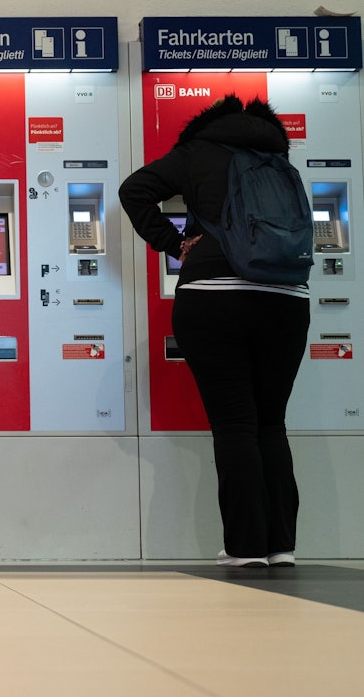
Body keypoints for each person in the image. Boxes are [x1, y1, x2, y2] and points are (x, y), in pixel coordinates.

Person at [119, 94, 310, 568]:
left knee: (234, 425)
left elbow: (134, 190)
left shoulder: (198, 151)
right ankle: (280, 545)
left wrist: (175, 244)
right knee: (271, 423)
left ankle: (245, 548)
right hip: (287, 300)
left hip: (214, 297)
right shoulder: (279, 160)